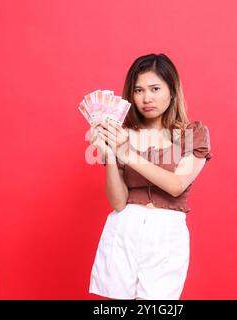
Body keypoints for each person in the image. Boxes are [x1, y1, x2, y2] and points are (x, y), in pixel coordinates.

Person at [88, 53, 213, 300]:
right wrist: (112, 154)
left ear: (172, 90)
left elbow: (176, 185)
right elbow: (118, 202)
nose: (147, 98)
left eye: (155, 88)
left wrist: (127, 152)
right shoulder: (121, 134)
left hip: (166, 233)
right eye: (138, 90)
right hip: (124, 229)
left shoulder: (192, 134)